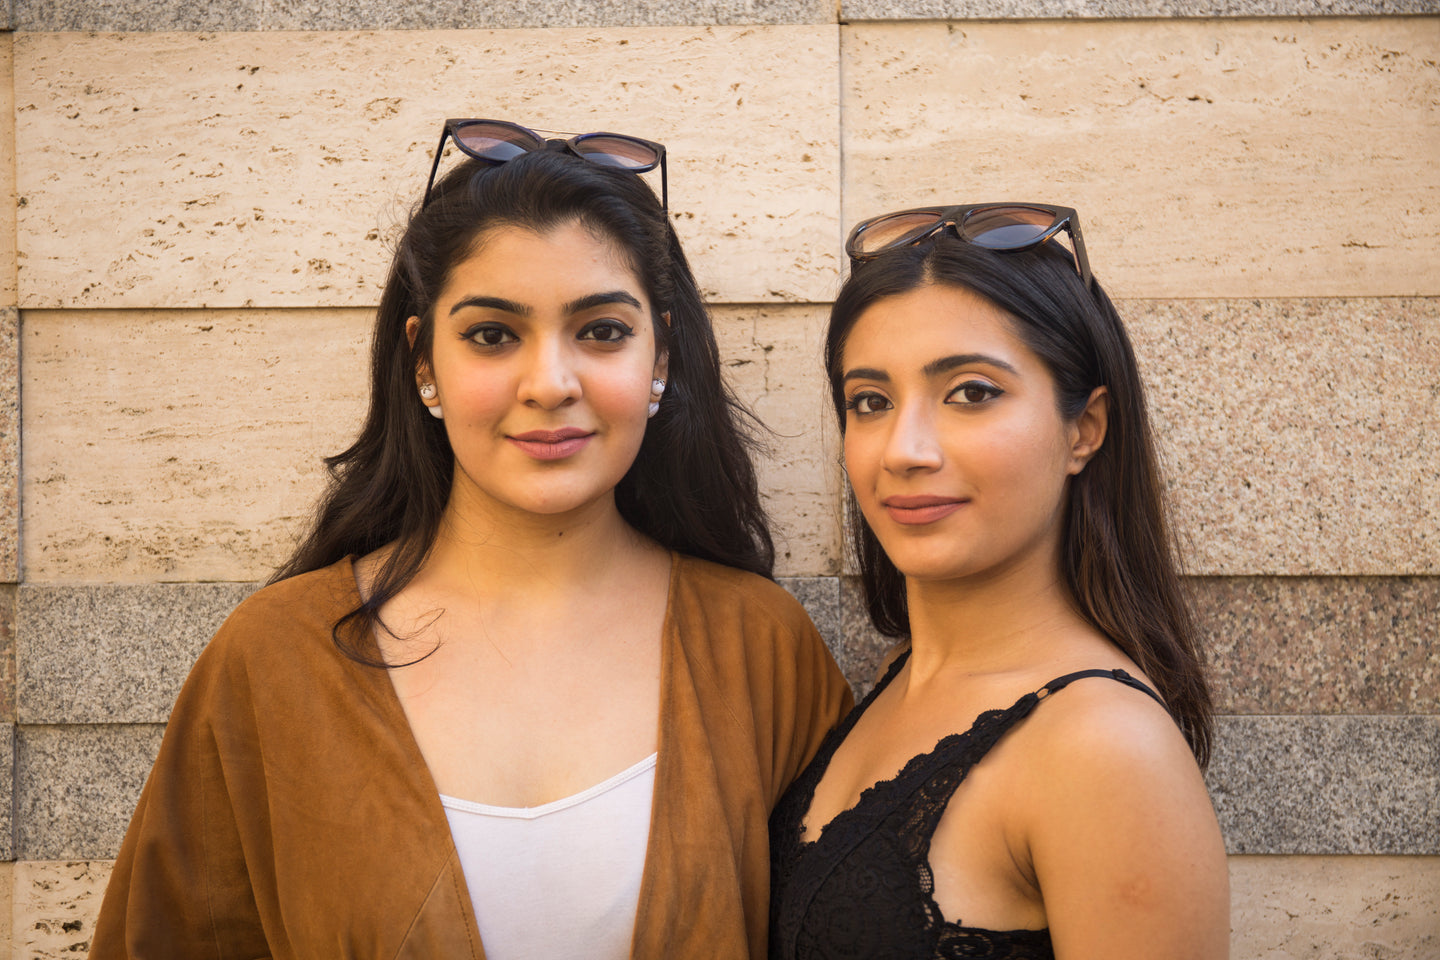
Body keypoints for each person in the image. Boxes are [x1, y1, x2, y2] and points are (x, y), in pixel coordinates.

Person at [91, 119, 852, 959]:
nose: (550, 384)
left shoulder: (761, 650)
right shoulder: (271, 662)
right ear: (423, 363)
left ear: (660, 355)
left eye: (602, 331)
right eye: (492, 335)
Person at [769, 204, 1229, 959]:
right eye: (871, 402)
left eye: (972, 392)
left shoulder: (1104, 749)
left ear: (1084, 429)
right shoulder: (898, 678)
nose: (905, 450)